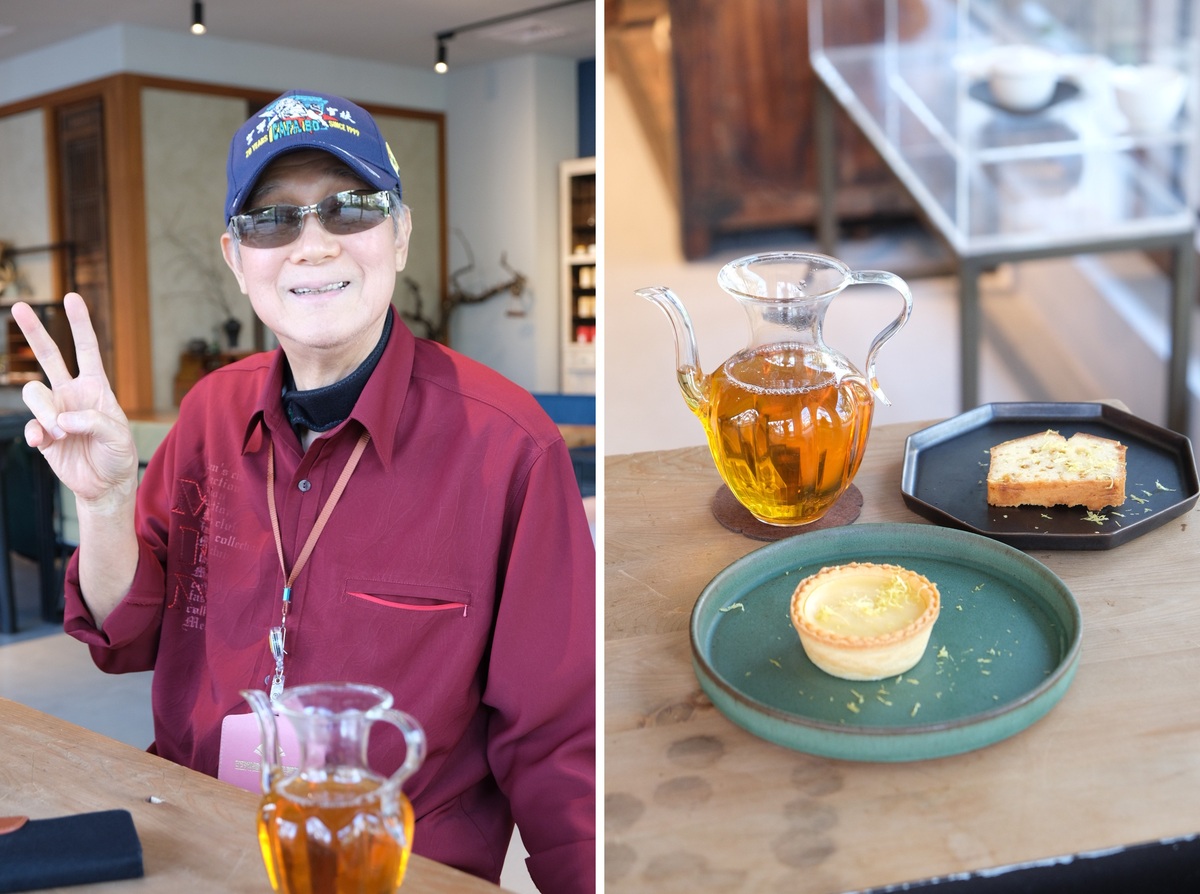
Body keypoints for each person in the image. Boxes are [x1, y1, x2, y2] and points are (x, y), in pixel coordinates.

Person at [12, 90, 595, 893]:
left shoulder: (507, 445)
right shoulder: (211, 412)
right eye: (272, 221)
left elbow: (563, 739)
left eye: (349, 208)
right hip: (196, 843)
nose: (312, 246)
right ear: (235, 256)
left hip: (393, 868)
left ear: (399, 232)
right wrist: (108, 502)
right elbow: (123, 636)